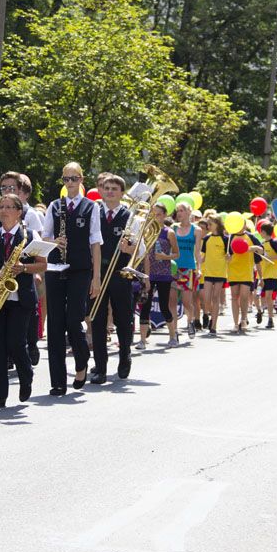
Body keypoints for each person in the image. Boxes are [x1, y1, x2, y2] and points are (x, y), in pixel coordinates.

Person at [0, 194, 48, 406]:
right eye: (1, 207)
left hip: (20, 298)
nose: (3, 211)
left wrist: (24, 268)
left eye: (8, 207)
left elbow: (43, 264)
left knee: (16, 343)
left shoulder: (30, 235)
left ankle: (26, 376)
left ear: (19, 212)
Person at [42, 163, 101, 395]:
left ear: (81, 179)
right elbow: (45, 236)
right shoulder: (55, 206)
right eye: (66, 179)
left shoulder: (91, 207)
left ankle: (81, 360)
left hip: (80, 269)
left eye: (74, 179)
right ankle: (57, 381)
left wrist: (96, 277)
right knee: (55, 323)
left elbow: (95, 242)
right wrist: (54, 241)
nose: (69, 183)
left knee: (74, 320)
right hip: (55, 267)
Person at [89, 175, 135, 384]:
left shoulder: (130, 216)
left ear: (122, 193)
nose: (109, 191)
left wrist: (129, 248)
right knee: (97, 319)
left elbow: (139, 248)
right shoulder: (94, 213)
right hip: (97, 274)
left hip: (120, 273)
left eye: (114, 189)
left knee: (123, 319)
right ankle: (100, 367)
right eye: (106, 188)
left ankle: (125, 356)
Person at [138, 203, 178, 347]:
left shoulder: (169, 232)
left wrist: (165, 257)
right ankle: (142, 340)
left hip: (163, 274)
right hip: (148, 273)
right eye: (153, 214)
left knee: (163, 306)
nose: (155, 217)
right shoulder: (145, 231)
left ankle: (173, 336)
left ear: (165, 215)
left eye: (159, 214)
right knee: (145, 305)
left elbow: (177, 254)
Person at [173, 203, 204, 339]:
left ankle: (190, 321)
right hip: (173, 268)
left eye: (182, 210)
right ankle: (174, 330)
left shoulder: (196, 230)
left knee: (186, 301)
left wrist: (199, 268)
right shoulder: (173, 228)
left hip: (188, 268)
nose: (179, 213)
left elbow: (197, 252)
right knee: (172, 301)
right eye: (177, 211)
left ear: (188, 212)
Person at [226, 224, 263, 333]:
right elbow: (226, 255)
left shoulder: (251, 237)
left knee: (244, 296)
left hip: (246, 271)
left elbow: (261, 251)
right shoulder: (230, 237)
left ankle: (243, 320)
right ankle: (235, 323)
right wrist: (227, 257)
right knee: (234, 297)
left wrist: (253, 248)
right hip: (233, 271)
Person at [200, 216, 229, 335]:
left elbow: (230, 257)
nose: (208, 226)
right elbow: (202, 256)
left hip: (220, 272)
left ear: (217, 224)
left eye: (210, 224)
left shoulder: (225, 239)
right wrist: (197, 264)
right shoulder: (207, 238)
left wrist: (229, 257)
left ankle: (214, 325)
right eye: (208, 224)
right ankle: (209, 315)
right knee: (206, 299)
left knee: (216, 298)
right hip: (208, 272)